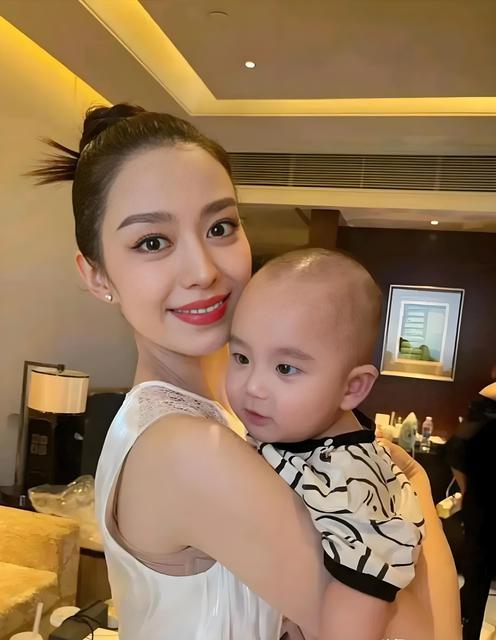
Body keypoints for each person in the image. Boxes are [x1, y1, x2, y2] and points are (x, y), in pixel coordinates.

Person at [31, 103, 460, 639]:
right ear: (96, 276)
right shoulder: (187, 449)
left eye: (220, 226)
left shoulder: (239, 413)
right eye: (152, 242)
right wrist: (411, 486)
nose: (203, 270)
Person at [226, 249, 425, 639]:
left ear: (352, 388)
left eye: (285, 368)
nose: (253, 386)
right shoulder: (293, 435)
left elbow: (364, 593)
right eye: (241, 357)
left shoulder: (350, 481)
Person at [447, 378, 496, 640]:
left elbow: (456, 450)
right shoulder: (489, 399)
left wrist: (469, 491)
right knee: (476, 581)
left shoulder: (487, 398)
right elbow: (456, 450)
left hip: (480, 504)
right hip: (483, 505)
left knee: (476, 581)